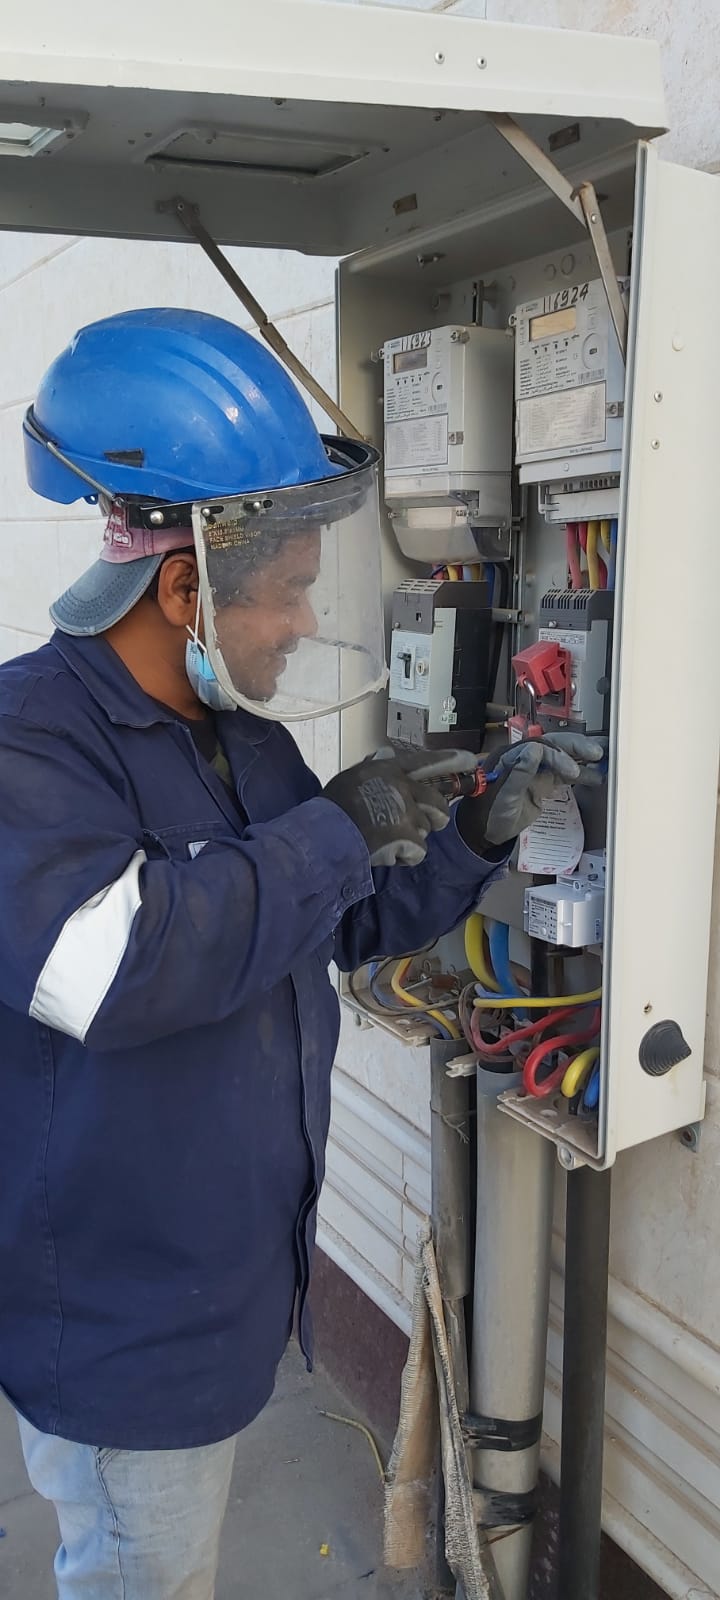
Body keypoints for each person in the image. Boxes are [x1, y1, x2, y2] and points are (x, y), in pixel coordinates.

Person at [0, 308, 602, 1600]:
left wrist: (473, 836)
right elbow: (112, 967)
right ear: (187, 589)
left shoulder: (244, 742)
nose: (301, 622)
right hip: (121, 1336)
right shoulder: (27, 743)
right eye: (288, 592)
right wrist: (338, 825)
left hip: (223, 1300)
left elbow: (345, 919)